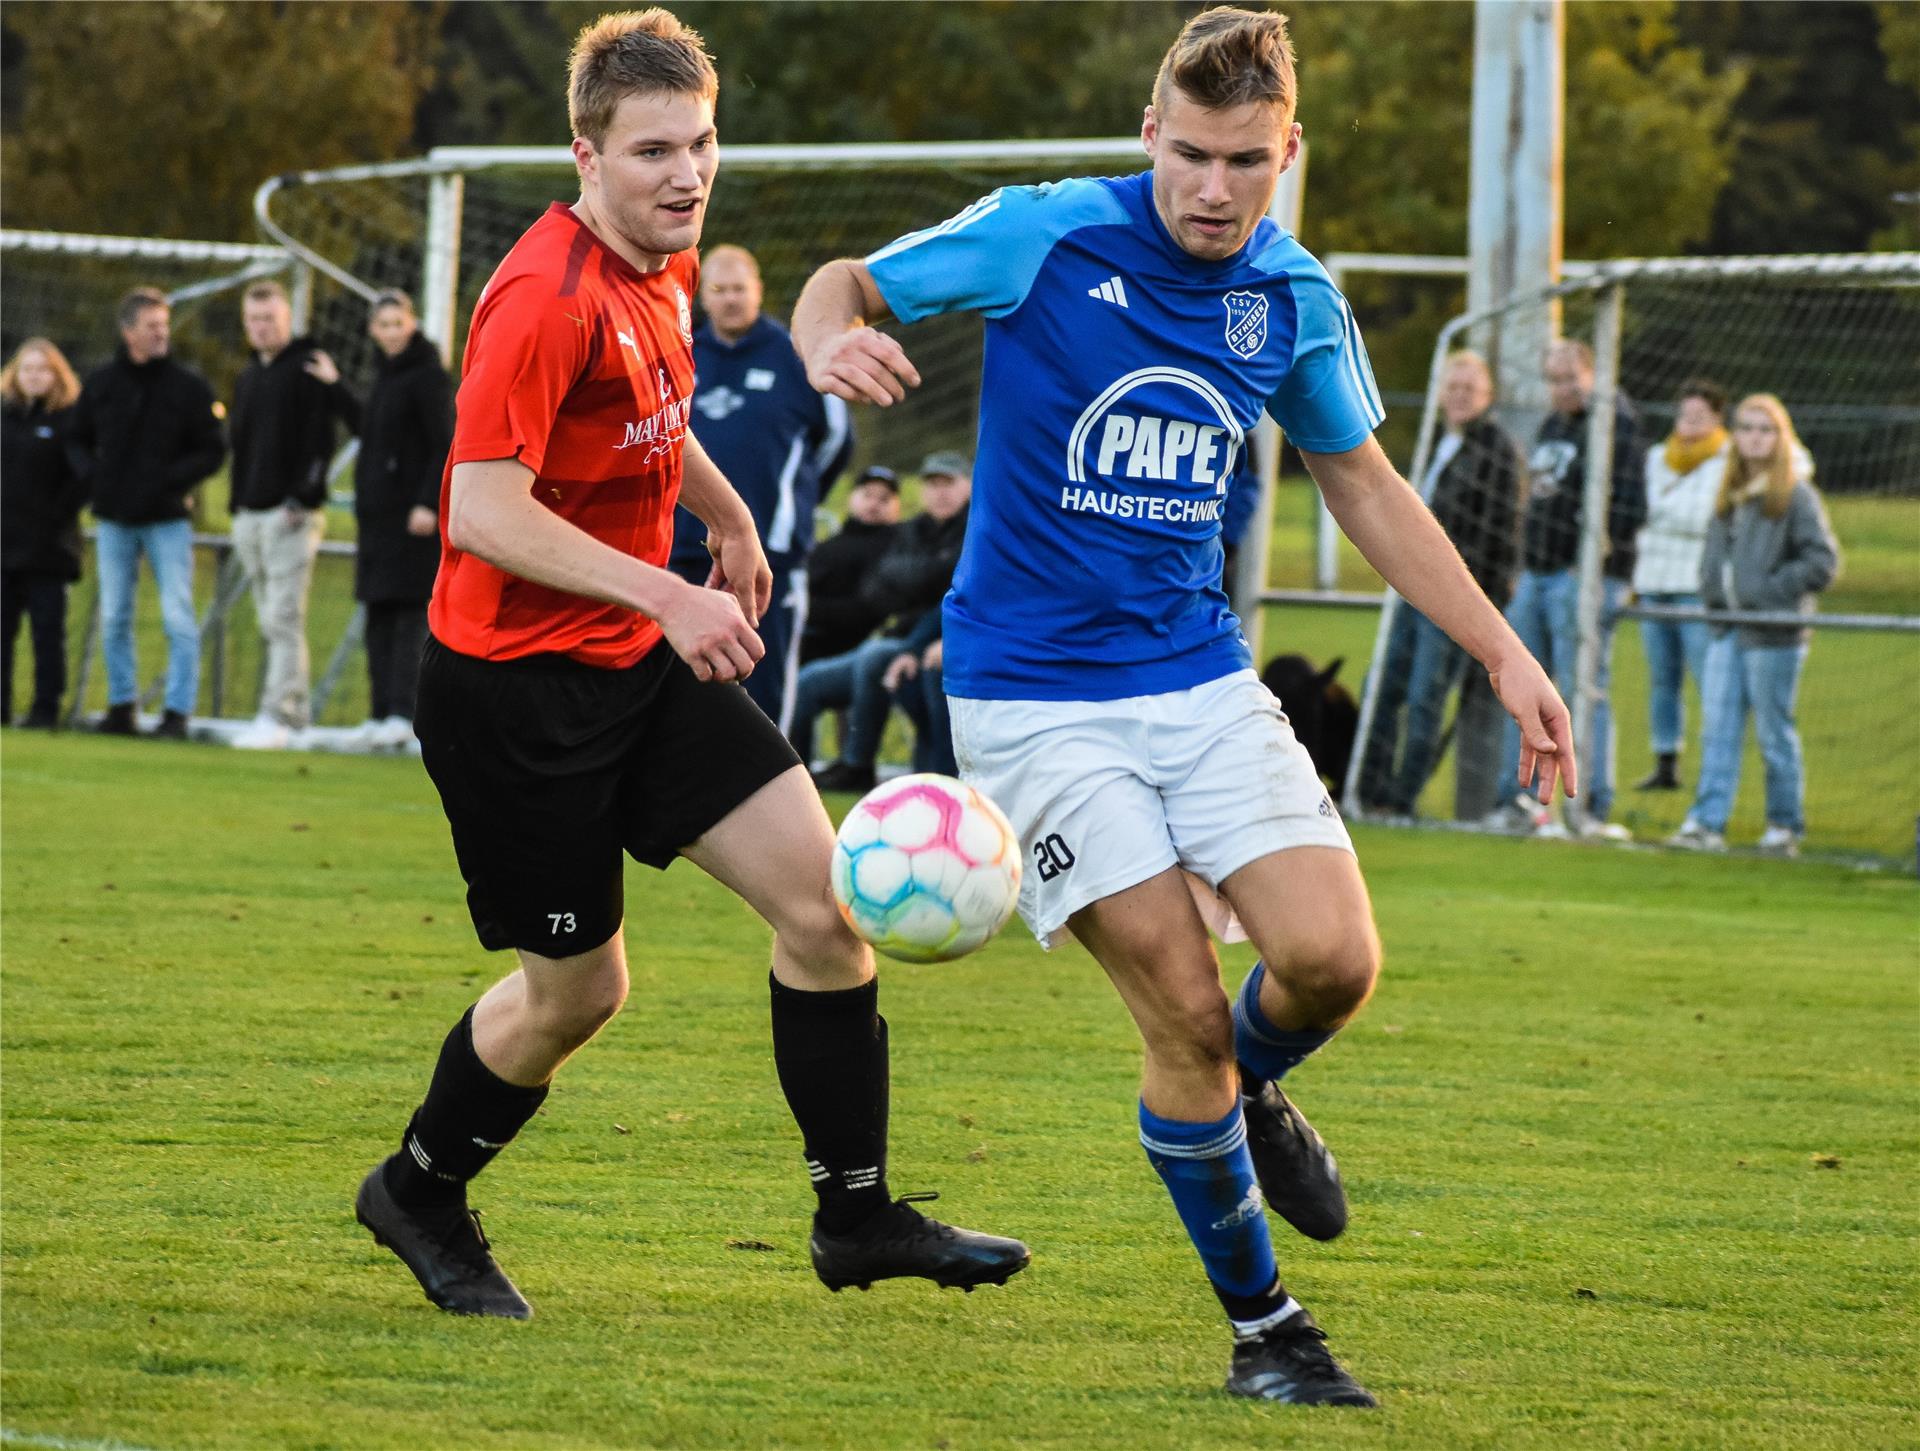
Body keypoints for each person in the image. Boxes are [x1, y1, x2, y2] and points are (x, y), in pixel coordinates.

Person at [793, 4, 1573, 1406]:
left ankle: (1248, 1091)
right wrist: (820, 340)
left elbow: (1365, 486)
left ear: (1289, 154)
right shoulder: (1047, 233)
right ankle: (1268, 1330)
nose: (1216, 190)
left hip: (1200, 675)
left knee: (1334, 960)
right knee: (1187, 1013)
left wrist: (1505, 653)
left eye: (1249, 162)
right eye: (1195, 155)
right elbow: (846, 281)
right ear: (1151, 133)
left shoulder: (1289, 296)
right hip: (1034, 703)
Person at [353, 8, 1027, 1324]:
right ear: (585, 155)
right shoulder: (540, 300)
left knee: (831, 913)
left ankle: (856, 1214)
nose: (685, 173)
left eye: (702, 144)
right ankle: (418, 1188)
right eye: (653, 149)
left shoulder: (664, 267)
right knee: (580, 992)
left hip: (637, 665)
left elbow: (650, 419)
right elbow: (485, 506)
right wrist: (670, 587)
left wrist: (718, 513)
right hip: (515, 699)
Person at [666, 243, 853, 729]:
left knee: (763, 696)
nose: (730, 299)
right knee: (673, 692)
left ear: (759, 291)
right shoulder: (677, 350)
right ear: (702, 295)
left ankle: (774, 794)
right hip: (679, 554)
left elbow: (834, 445)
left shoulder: (796, 355)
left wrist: (791, 504)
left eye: (740, 289)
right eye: (720, 289)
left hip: (770, 560)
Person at [1669, 394, 1838, 858]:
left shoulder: (1796, 495)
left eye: (1765, 429)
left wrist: (1767, 590)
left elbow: (1823, 561)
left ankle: (1784, 826)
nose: (1754, 437)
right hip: (1728, 630)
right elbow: (1713, 562)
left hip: (1774, 634)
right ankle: (1706, 823)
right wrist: (1715, 599)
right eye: (1746, 427)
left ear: (1780, 437)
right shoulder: (1730, 496)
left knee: (1772, 732)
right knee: (1717, 729)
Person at [1356, 350, 1523, 816]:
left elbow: (1502, 533)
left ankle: (1403, 799)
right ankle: (1369, 792)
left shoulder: (1497, 451)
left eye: (1470, 389)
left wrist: (1478, 604)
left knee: (1424, 695)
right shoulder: (1436, 440)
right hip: (1411, 589)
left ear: (1488, 397)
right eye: (1453, 387)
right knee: (1382, 687)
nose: (1460, 396)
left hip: (1451, 596)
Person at [1494, 337, 1646, 835]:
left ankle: (1589, 807)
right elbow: (1537, 501)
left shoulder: (1617, 425)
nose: (1560, 389)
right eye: (1552, 379)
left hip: (1582, 577)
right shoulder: (1553, 424)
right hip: (1537, 574)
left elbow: (1631, 506)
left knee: (1583, 688)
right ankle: (1524, 803)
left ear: (1591, 375)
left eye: (1568, 379)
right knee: (1517, 685)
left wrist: (1595, 563)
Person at [69, 287, 227, 739]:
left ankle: (177, 712)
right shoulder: (102, 384)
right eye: (152, 326)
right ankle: (122, 707)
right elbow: (76, 439)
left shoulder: (188, 386)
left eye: (164, 325)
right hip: (115, 518)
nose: (161, 334)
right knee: (115, 614)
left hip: (167, 519)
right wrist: (95, 478)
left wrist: (169, 480)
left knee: (178, 615)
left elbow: (213, 449)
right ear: (129, 331)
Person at [314, 291, 454, 749]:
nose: (391, 331)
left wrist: (428, 503)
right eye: (383, 324)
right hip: (377, 521)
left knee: (409, 615)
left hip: (412, 520)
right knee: (377, 614)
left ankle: (405, 715)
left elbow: (444, 442)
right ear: (373, 330)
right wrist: (335, 388)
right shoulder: (384, 378)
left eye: (399, 323)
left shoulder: (429, 377)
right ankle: (379, 714)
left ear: (411, 324)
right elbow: (370, 431)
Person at [791, 452, 971, 791]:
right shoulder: (912, 531)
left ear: (969, 486)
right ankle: (791, 779)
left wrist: (914, 583)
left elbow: (946, 592)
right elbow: (880, 588)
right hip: (902, 636)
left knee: (876, 657)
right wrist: (923, 578)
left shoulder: (974, 532)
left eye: (949, 484)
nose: (940, 493)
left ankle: (858, 766)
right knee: (809, 682)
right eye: (932, 484)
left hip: (935, 642)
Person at [227, 279, 355, 750]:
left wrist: (302, 498)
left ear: (287, 320)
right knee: (268, 618)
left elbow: (324, 439)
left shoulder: (307, 367)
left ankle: (278, 715)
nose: (261, 328)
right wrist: (237, 505)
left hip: (290, 517)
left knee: (283, 617)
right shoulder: (248, 376)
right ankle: (293, 714)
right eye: (254, 320)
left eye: (270, 319)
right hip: (249, 516)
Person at [1631, 379, 1727, 791]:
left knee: (1708, 680)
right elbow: (1639, 510)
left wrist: (1661, 515)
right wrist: (1664, 516)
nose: (1690, 423)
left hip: (1694, 586)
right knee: (1662, 680)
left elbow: (1705, 517)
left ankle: (1715, 766)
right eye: (1685, 414)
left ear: (1717, 419)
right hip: (1653, 582)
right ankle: (1666, 762)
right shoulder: (1656, 458)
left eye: (1700, 416)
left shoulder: (1726, 459)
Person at [1, 338, 88, 729]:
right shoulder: (5, 419)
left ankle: (45, 709)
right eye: (27, 369)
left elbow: (83, 477)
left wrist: (56, 515)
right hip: (5, 545)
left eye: (42, 369)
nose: (34, 377)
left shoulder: (70, 422)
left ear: (57, 375)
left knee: (47, 633)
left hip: (49, 548)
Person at [797, 464, 902, 665]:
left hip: (840, 644)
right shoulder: (830, 544)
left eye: (884, 499)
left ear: (896, 505)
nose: (873, 504)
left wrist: (804, 608)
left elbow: (866, 608)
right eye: (867, 495)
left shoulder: (896, 546)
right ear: (852, 497)